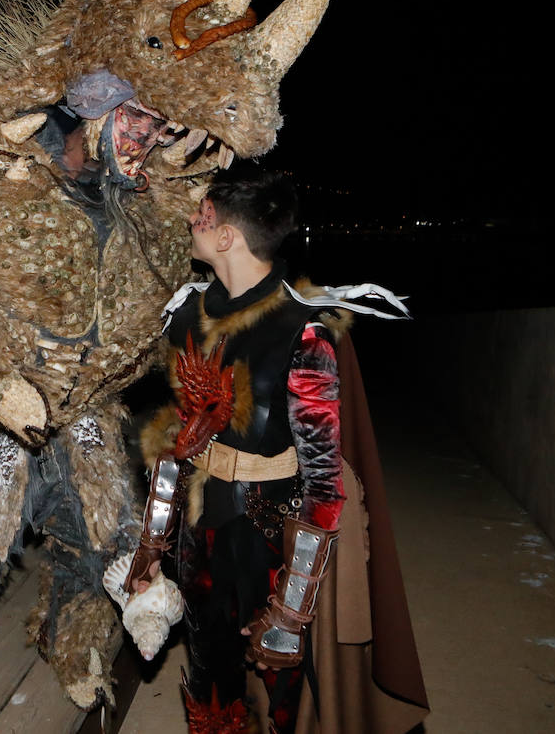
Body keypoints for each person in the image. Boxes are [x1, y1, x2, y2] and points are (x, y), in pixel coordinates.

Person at [126, 163, 429, 733]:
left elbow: (322, 485)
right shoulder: (187, 312)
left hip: (272, 540)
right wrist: (152, 546)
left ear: (226, 236)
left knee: (283, 695)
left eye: (204, 213)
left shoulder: (304, 328)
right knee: (208, 680)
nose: (193, 219)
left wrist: (290, 610)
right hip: (199, 532)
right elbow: (175, 438)